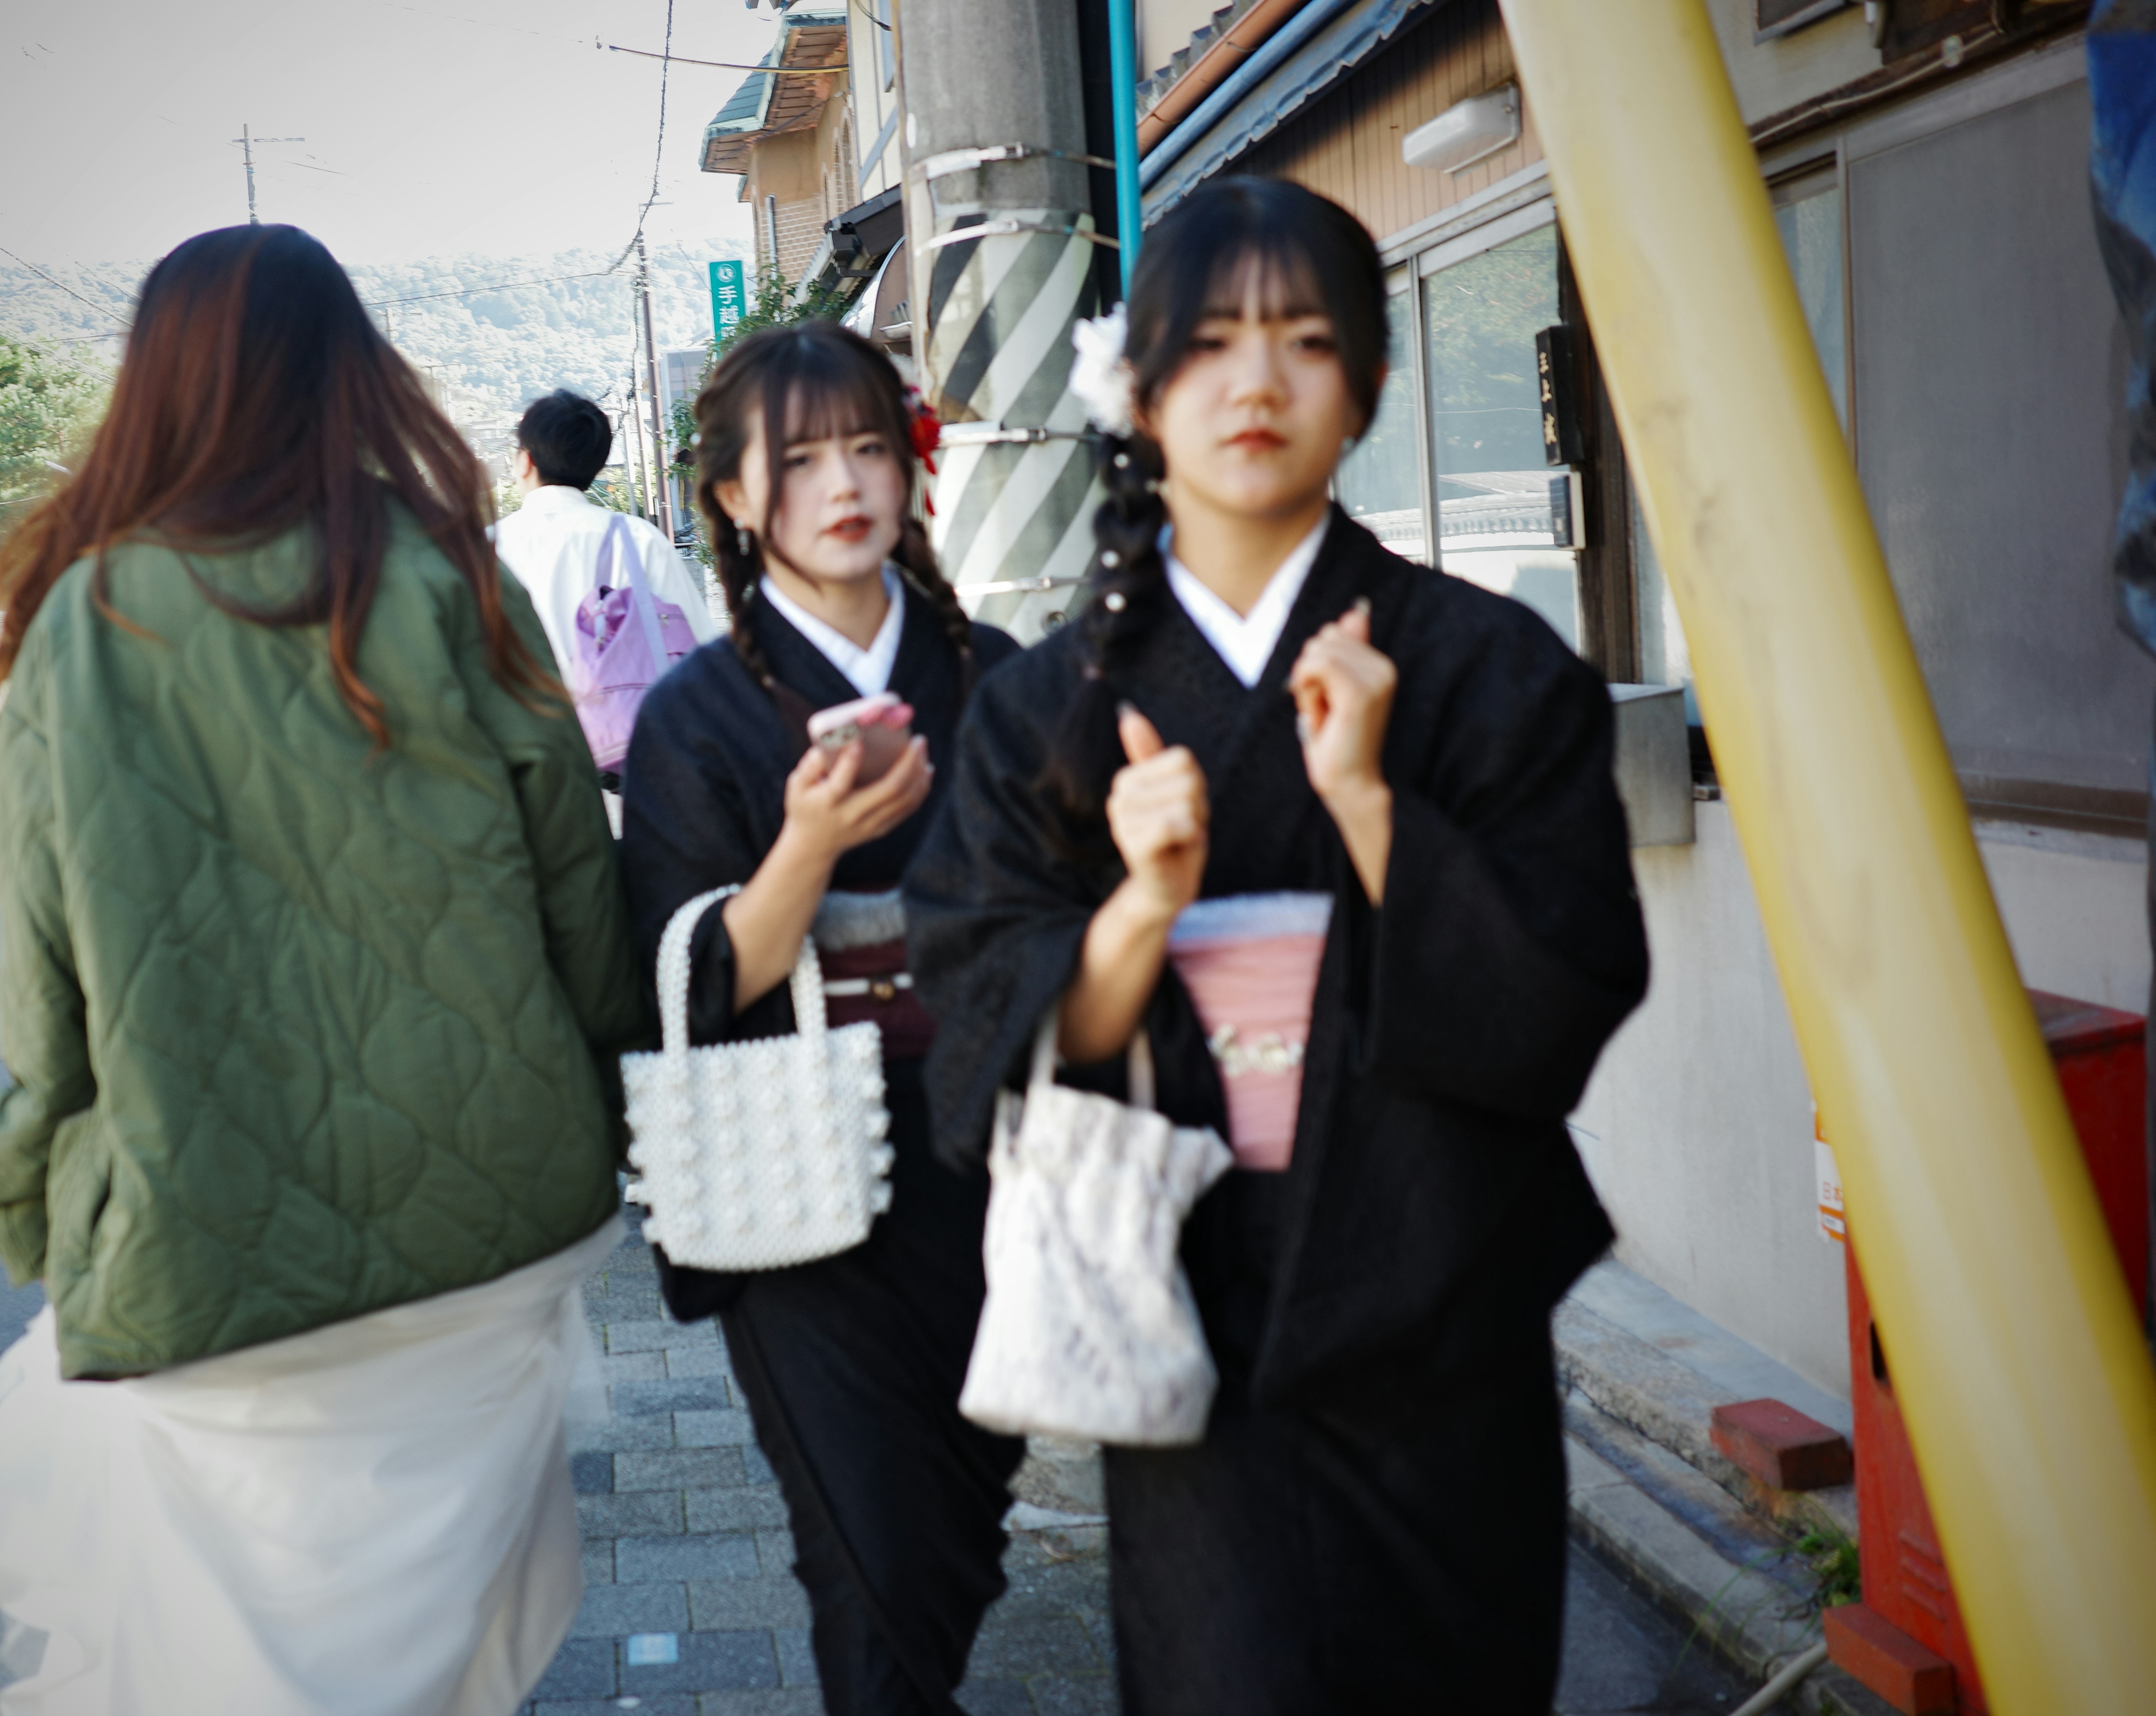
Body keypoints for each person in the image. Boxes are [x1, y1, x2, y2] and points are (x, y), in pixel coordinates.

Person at [905, 178, 1651, 1714]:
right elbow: (986, 1005)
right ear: (1141, 389)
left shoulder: (1478, 665)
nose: (1258, 384)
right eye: (1214, 346)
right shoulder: (1047, 708)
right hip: (1186, 1322)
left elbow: (1561, 992)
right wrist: (1141, 903)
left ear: (1368, 384)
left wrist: (1370, 802)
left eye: (1307, 342)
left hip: (1436, 1307)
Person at [0, 224, 646, 1716]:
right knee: (445, 1652)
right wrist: (612, 1100)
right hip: (485, 1233)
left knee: (228, 1660)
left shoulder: (84, 619)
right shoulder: (449, 579)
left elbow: (50, 996)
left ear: (151, 389)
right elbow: (585, 913)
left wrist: (25, 1184)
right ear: (356, 375)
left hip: (211, 1240)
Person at [617, 321, 1026, 1716]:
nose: (843, 484)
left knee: (963, 1541)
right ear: (731, 497)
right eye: (795, 461)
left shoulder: (1000, 669)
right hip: (803, 1193)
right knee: (874, 1563)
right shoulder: (695, 715)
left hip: (995, 1165)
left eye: (866, 446)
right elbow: (680, 984)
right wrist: (802, 850)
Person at [492, 386, 721, 687]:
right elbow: (700, 650)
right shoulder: (638, 540)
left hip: (522, 724)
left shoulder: (483, 547)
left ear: (525, 461)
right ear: (597, 464)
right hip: (625, 724)